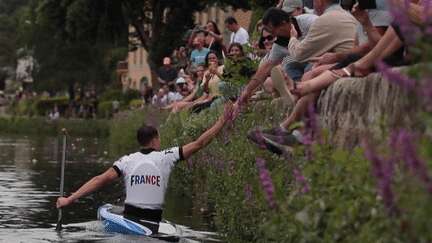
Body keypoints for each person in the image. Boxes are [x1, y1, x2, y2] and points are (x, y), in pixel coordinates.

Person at [56, 102, 234, 234]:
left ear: (140, 141)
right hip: (154, 220)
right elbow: (199, 143)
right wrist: (222, 121)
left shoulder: (127, 161)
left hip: (131, 218)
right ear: (155, 139)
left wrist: (69, 200)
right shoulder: (167, 156)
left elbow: (99, 180)